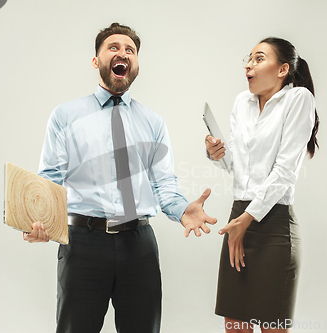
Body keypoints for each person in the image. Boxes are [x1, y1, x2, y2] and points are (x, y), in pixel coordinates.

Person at [23, 23, 217, 333]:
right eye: (113, 47)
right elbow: (50, 179)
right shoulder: (66, 115)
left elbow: (163, 182)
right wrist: (39, 220)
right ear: (96, 60)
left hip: (138, 244)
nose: (122, 53)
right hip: (83, 242)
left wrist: (182, 209)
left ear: (135, 64)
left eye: (130, 50)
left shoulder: (153, 122)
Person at [205, 37, 319, 333]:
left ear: (282, 69)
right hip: (238, 217)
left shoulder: (299, 99)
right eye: (249, 58)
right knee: (235, 326)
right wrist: (216, 154)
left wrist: (247, 218)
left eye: (258, 58)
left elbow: (284, 172)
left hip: (273, 225)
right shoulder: (242, 102)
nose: (248, 64)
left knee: (272, 326)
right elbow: (237, 166)